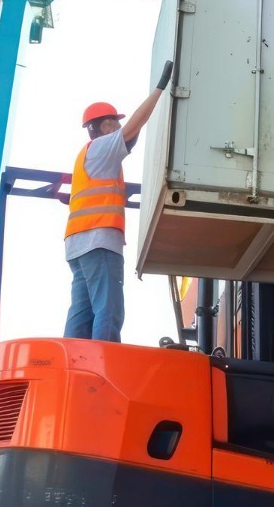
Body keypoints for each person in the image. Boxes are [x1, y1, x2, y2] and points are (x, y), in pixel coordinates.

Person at [65, 60, 174, 342]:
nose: (118, 125)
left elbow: (131, 136)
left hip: (79, 244)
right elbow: (136, 125)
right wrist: (160, 90)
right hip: (99, 240)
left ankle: (73, 365)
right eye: (112, 121)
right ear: (96, 128)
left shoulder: (90, 154)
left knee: (82, 312)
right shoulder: (102, 148)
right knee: (109, 310)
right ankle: (104, 365)